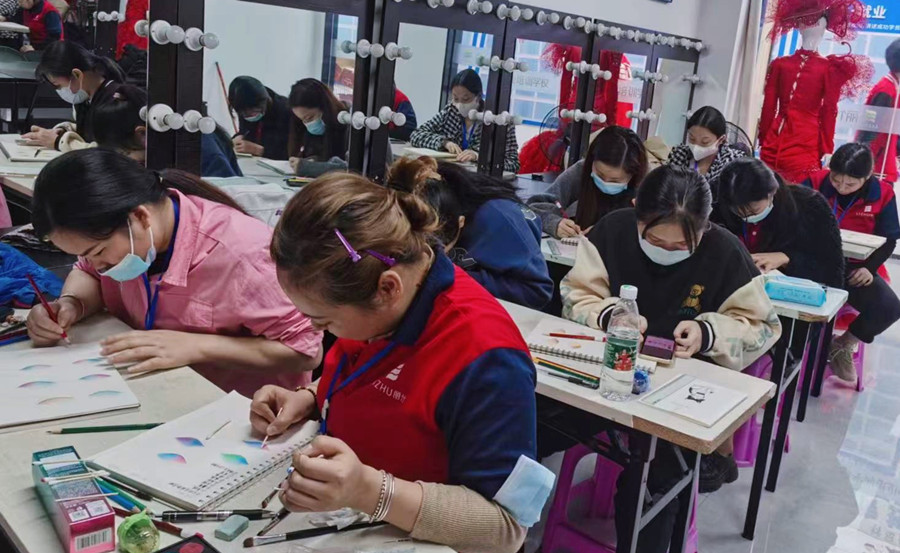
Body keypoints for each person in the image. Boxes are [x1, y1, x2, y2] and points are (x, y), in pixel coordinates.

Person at [249, 173, 552, 553]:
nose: (314, 328)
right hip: (348, 523)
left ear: (388, 288)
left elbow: (505, 528)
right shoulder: (378, 299)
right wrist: (310, 397)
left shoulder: (487, 358)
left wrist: (372, 491)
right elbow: (371, 373)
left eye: (323, 321)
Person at [26, 149, 323, 397]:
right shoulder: (120, 239)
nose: (99, 265)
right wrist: (70, 304)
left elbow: (305, 351)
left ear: (140, 216)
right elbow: (88, 273)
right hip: (157, 389)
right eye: (86, 254)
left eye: (99, 251)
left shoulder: (243, 253)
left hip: (239, 410)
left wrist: (197, 346)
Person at [560, 165, 781, 497]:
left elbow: (761, 326)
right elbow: (577, 293)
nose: (665, 250)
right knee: (542, 421)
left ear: (705, 225)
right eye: (653, 239)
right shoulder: (612, 231)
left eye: (680, 246)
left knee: (655, 484)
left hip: (682, 393)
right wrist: (610, 316)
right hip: (609, 375)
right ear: (636, 209)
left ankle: (691, 477)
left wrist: (707, 333)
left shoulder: (725, 252)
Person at [386, 157, 552, 310]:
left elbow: (537, 291)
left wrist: (448, 276)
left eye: (433, 246)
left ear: (460, 222)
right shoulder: (412, 200)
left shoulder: (498, 219)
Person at [803, 143, 900, 383]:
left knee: (889, 307)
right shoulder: (815, 182)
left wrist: (870, 268)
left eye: (850, 184)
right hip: (813, 262)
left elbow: (889, 240)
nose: (842, 188)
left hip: (854, 268)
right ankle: (794, 352)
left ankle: (842, 345)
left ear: (867, 177)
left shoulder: (883, 194)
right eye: (836, 180)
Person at [716, 158, 845, 288]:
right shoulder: (720, 209)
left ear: (771, 193)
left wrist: (787, 259)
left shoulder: (809, 207)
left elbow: (832, 270)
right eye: (738, 212)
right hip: (735, 289)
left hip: (791, 292)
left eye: (754, 211)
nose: (747, 218)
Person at [91, 84, 243, 178]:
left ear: (142, 134)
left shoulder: (197, 148)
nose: (125, 160)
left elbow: (222, 201)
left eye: (124, 153)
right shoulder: (164, 141)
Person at [528, 126, 648, 239]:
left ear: (633, 176)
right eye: (600, 174)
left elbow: (653, 230)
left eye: (614, 181)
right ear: (591, 161)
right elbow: (532, 208)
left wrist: (611, 231)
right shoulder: (581, 170)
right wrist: (554, 223)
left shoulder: (646, 185)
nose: (605, 182)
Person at [410, 69, 520, 173]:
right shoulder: (450, 111)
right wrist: (444, 142)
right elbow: (416, 134)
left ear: (478, 96)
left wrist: (479, 157)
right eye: (455, 98)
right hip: (452, 174)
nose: (460, 104)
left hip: (481, 180)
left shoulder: (497, 120)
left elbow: (513, 164)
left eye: (466, 99)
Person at [24, 41, 125, 150]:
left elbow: (111, 152)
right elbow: (91, 131)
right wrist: (64, 131)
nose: (59, 90)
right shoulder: (85, 100)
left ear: (77, 74)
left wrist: (59, 142)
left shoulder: (116, 101)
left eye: (57, 85)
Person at [666, 106, 745, 190]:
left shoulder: (732, 163)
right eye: (692, 139)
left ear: (721, 139)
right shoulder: (679, 154)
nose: (696, 146)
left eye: (705, 142)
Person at [857, 38, 900, 184]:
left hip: (884, 161)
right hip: (876, 166)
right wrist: (864, 164)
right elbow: (869, 130)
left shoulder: (894, 87)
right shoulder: (886, 90)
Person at [287, 78, 350, 178]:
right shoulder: (313, 132)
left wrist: (310, 168)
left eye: (309, 118)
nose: (307, 124)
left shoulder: (348, 123)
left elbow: (349, 169)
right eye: (302, 120)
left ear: (324, 107)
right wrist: (312, 160)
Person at [229, 76, 292, 161]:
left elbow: (290, 153)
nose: (250, 116)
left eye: (254, 111)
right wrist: (238, 138)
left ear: (263, 101)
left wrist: (259, 150)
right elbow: (246, 131)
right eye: (244, 114)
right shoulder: (243, 105)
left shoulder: (286, 110)